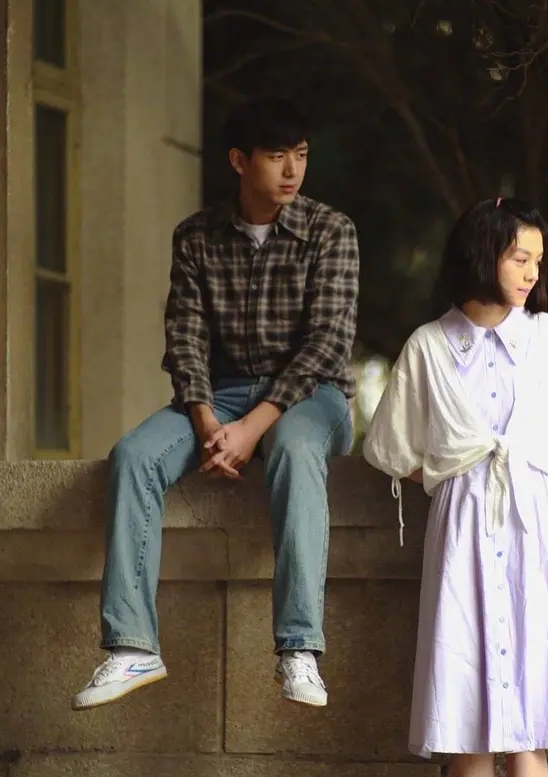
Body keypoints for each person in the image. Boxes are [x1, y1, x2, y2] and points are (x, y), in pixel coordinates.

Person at [362, 198, 548, 777]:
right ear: (482, 254)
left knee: (531, 719)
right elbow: (387, 446)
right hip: (463, 532)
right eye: (520, 258)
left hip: (539, 528)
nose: (532, 273)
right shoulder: (429, 347)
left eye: (537, 261)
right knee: (468, 722)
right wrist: (449, 474)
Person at [72, 97, 358, 711]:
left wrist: (252, 429)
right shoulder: (197, 236)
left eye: (301, 155)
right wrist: (207, 422)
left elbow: (326, 345)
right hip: (220, 397)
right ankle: (133, 646)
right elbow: (186, 337)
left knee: (295, 449)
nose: (292, 170)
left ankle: (299, 649)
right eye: (276, 156)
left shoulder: (331, 231)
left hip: (313, 396)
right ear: (239, 160)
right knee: (133, 456)